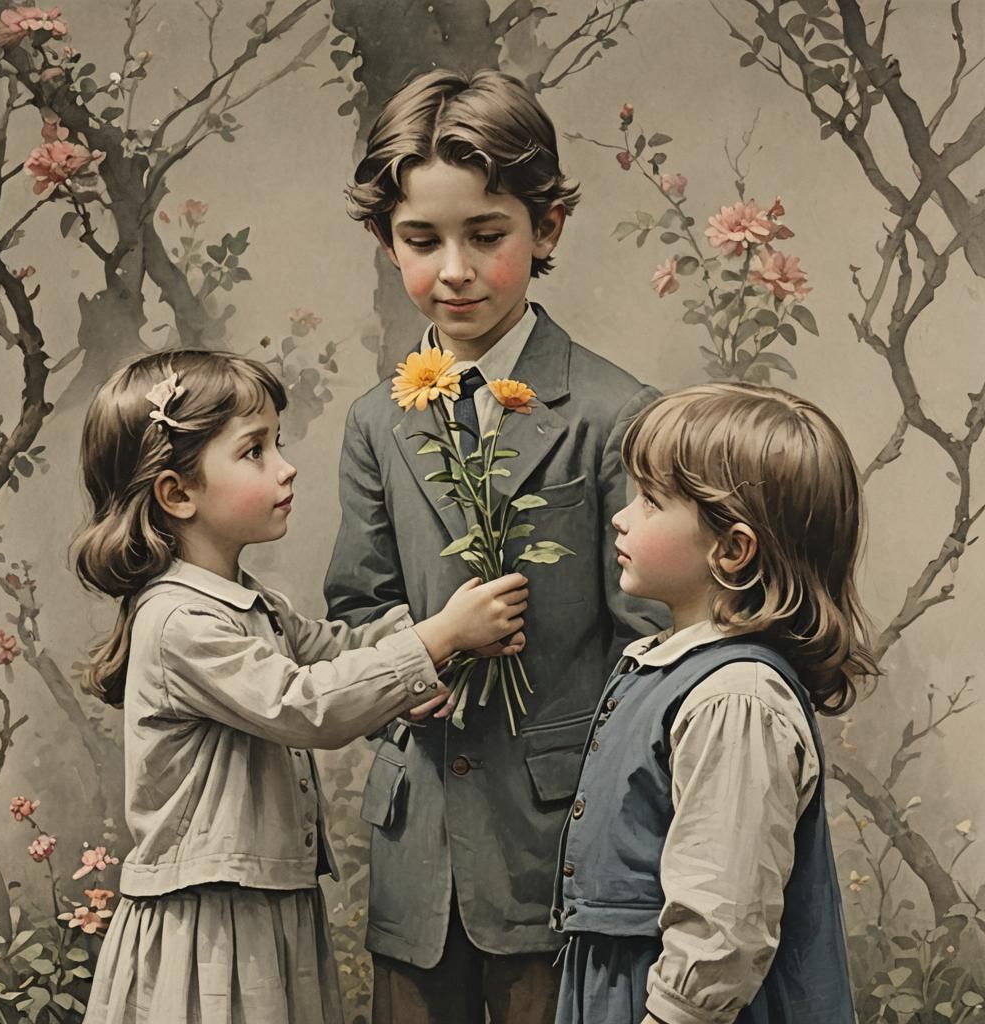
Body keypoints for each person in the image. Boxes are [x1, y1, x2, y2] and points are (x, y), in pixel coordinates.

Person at [324, 68, 667, 1023]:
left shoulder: (613, 413)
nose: (454, 271)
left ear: (546, 228)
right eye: (421, 240)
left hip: (555, 841)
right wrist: (418, 653)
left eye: (487, 235)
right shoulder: (375, 423)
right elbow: (357, 607)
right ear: (385, 241)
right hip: (418, 844)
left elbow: (649, 639)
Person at [71, 350, 529, 1024]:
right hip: (210, 925)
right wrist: (441, 639)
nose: (284, 467)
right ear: (177, 493)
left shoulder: (251, 604)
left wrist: (437, 632)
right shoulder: (178, 620)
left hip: (261, 907)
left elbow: (339, 651)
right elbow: (308, 705)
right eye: (254, 451)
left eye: (276, 444)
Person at [553, 382, 877, 1024]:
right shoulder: (674, 667)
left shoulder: (736, 699)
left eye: (650, 502)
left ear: (731, 549)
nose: (622, 516)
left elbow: (722, 926)